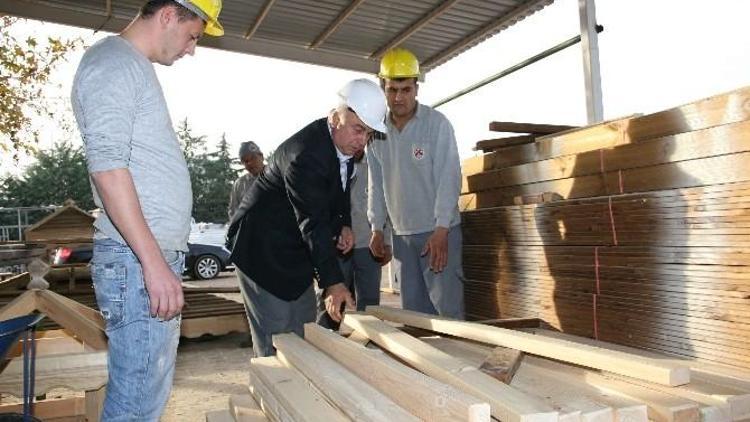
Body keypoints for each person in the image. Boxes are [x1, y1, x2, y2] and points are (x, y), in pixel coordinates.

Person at [70, 0, 223, 419]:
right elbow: (108, 168)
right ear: (169, 15)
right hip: (136, 260)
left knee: (143, 399)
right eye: (194, 35)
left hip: (141, 258)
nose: (192, 49)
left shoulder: (130, 66)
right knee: (135, 403)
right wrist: (153, 263)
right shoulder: (114, 64)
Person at [228, 78, 388, 357]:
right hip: (262, 251)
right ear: (335, 117)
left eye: (369, 134)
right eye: (359, 130)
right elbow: (312, 222)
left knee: (303, 333)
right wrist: (334, 283)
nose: (362, 141)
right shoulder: (305, 155)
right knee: (278, 340)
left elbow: (337, 193)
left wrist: (343, 224)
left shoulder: (343, 146)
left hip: (296, 251)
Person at [367, 47, 465, 319]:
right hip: (402, 237)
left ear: (416, 89)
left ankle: (456, 361)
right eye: (392, 90)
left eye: (405, 89)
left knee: (448, 311)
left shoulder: (437, 125)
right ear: (383, 89)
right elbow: (375, 185)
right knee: (414, 316)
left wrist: (442, 228)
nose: (399, 97)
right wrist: (377, 228)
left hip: (437, 233)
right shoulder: (376, 133)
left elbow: (449, 177)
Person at [316, 151, 392, 329]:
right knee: (332, 296)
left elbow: (385, 205)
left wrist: (386, 241)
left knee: (370, 302)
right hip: (339, 247)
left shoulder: (375, 166)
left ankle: (371, 340)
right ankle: (325, 337)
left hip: (369, 245)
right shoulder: (330, 166)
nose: (356, 143)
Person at [227, 141, 264, 220]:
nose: (250, 163)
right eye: (245, 161)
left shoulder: (278, 177)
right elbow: (234, 213)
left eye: (253, 158)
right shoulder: (239, 184)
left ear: (261, 157)